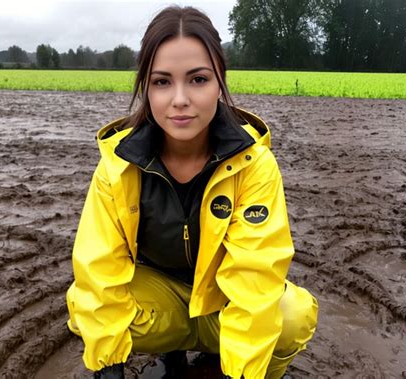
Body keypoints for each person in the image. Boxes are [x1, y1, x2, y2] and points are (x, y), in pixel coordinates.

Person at [66, 5, 318, 379]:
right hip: (161, 307)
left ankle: (233, 364)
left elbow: (255, 278)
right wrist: (108, 368)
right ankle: (172, 352)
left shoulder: (255, 165)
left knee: (292, 317)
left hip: (223, 304)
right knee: (84, 306)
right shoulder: (117, 167)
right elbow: (98, 271)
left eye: (198, 80)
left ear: (220, 81)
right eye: (162, 82)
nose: (179, 99)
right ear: (145, 89)